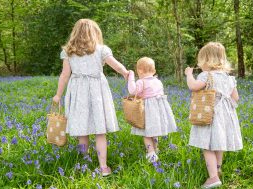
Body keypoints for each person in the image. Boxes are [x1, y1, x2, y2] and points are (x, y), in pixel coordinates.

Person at [52, 19, 129, 176]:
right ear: (95, 33)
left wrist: (58, 94)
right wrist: (127, 74)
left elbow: (65, 75)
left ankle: (84, 162)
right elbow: (117, 66)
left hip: (78, 92)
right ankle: (103, 167)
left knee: (82, 130)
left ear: (75, 33)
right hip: (97, 92)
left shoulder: (69, 52)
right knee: (100, 131)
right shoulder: (101, 50)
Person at [185, 42, 243, 189]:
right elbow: (235, 98)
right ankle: (218, 168)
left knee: (207, 145)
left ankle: (213, 177)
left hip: (210, 114)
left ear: (206, 60)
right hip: (225, 116)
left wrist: (189, 75)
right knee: (219, 142)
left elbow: (193, 86)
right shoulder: (228, 78)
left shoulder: (206, 75)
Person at [127, 57, 177, 162]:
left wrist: (131, 78)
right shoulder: (158, 81)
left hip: (147, 111)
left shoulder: (141, 82)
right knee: (154, 131)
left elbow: (132, 91)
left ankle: (151, 153)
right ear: (154, 71)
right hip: (158, 111)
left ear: (139, 70)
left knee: (146, 133)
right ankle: (156, 149)